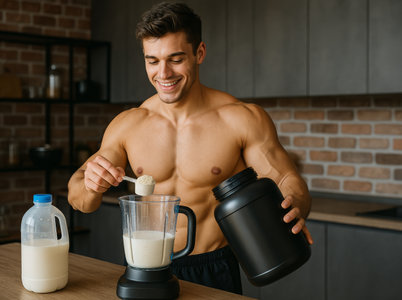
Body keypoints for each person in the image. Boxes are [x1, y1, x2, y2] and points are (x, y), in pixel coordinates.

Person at [68, 1, 313, 295]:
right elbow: (79, 198)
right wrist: (92, 184)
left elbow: (285, 179)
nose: (164, 73)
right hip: (145, 268)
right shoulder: (128, 124)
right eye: (152, 60)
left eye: (176, 59)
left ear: (199, 53)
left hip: (212, 266)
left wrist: (295, 202)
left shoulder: (241, 118)